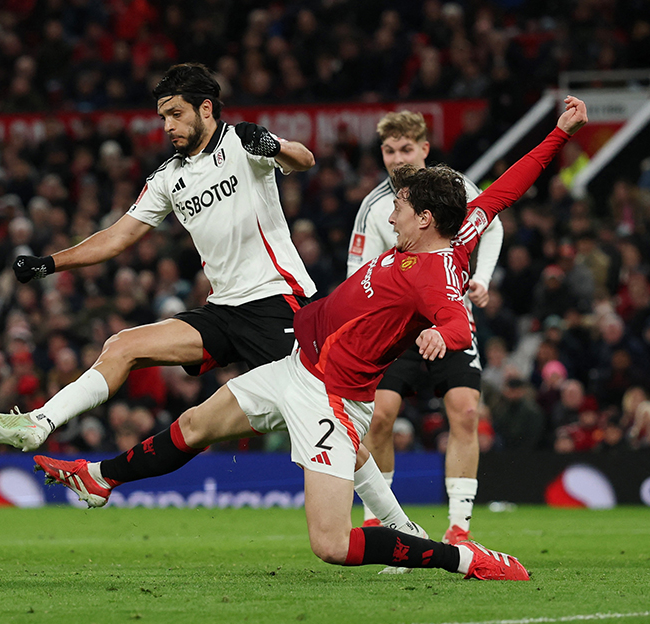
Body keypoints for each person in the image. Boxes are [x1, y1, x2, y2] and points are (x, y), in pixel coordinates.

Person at [29, 96, 588, 577]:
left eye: (398, 206)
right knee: (196, 423)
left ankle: (460, 559)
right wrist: (559, 133)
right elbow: (508, 187)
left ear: (421, 219)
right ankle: (101, 478)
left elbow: (457, 317)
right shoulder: (457, 229)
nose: (388, 213)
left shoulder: (435, 276)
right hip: (297, 365)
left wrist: (444, 335)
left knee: (330, 545)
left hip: (335, 397)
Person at [0, 63, 318, 450]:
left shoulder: (242, 141)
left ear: (205, 109)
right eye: (163, 117)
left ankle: (389, 514)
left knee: (320, 418)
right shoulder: (168, 178)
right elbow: (117, 236)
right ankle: (39, 422)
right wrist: (50, 264)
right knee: (122, 345)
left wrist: (276, 147)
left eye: (176, 114)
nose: (167, 126)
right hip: (223, 310)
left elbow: (304, 159)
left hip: (277, 301)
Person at [347, 110, 503, 545]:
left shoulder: (454, 188)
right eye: (390, 150)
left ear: (424, 149)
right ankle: (381, 521)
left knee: (466, 413)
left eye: (406, 149)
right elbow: (356, 271)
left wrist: (482, 279)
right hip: (396, 331)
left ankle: (459, 529)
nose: (398, 159)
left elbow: (493, 225)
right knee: (379, 418)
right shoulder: (374, 206)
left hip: (448, 319)